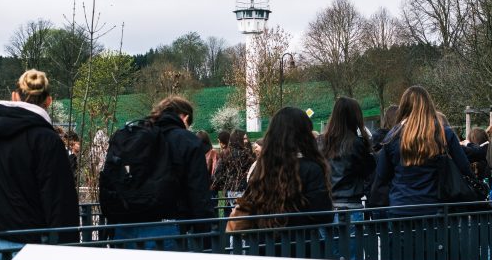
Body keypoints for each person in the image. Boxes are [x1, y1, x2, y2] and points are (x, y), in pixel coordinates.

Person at [0, 69, 79, 260]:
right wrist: (68, 248)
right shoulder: (47, 140)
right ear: (48, 101)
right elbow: (59, 199)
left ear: (15, 96)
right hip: (32, 244)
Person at [111, 96, 214, 249]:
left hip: (125, 226)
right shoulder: (187, 141)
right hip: (167, 226)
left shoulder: (134, 136)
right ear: (184, 117)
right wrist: (204, 234)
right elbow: (198, 191)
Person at [226, 107, 333, 231]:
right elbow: (323, 215)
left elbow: (251, 205)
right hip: (301, 243)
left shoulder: (262, 168)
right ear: (304, 135)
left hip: (263, 243)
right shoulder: (311, 169)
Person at [372, 85, 472, 217]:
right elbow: (465, 168)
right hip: (436, 208)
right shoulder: (443, 133)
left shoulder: (392, 136)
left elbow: (381, 176)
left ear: (403, 107)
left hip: (400, 208)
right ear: (429, 105)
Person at [318, 97, 376, 259]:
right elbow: (369, 171)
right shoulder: (356, 144)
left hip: (326, 208)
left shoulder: (321, 142)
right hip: (351, 207)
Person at [211, 129, 255, 204]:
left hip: (231, 191)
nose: (246, 141)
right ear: (238, 140)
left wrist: (225, 184)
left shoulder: (226, 154)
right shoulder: (247, 155)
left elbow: (218, 175)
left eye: (246, 138)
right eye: (244, 138)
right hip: (244, 190)